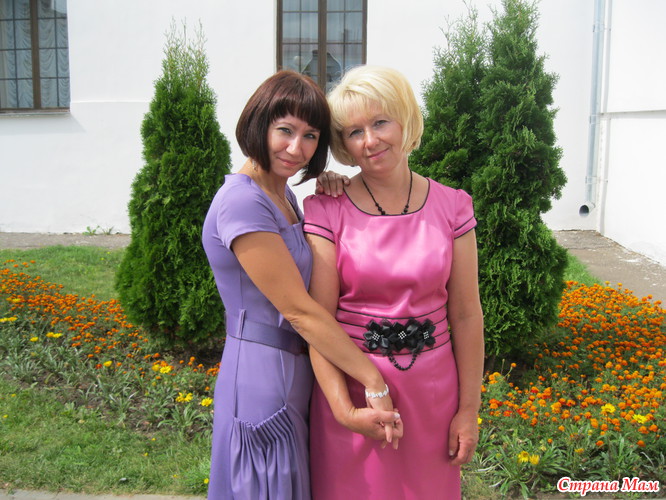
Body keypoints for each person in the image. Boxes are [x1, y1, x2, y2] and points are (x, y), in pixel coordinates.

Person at [201, 70, 402, 500]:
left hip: (292, 373)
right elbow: (299, 310)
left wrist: (330, 186)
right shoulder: (242, 201)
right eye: (285, 131)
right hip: (260, 380)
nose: (297, 148)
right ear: (259, 125)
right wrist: (373, 380)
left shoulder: (281, 194)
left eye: (310, 135)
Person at [304, 65, 485, 499]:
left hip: (433, 398)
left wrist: (468, 410)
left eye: (380, 122)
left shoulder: (454, 207)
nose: (370, 141)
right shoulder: (326, 209)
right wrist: (343, 410)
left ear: (405, 119)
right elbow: (318, 323)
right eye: (354, 132)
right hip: (355, 394)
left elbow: (466, 314)